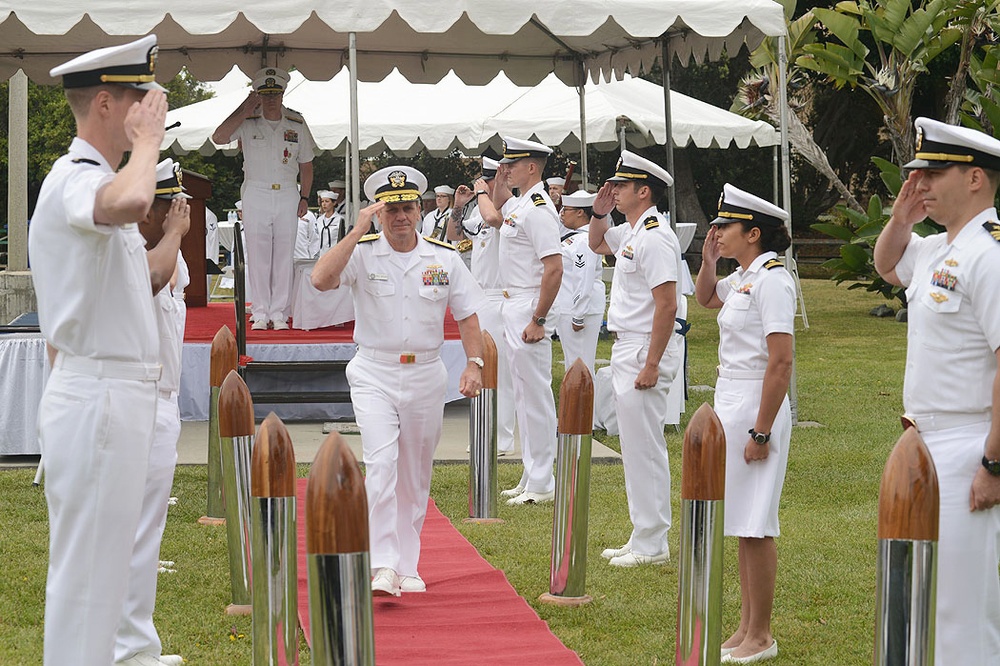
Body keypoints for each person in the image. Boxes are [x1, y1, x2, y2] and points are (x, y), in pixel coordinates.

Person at [26, 35, 181, 666]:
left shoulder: (95, 179)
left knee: (105, 574)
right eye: (140, 99)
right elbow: (134, 201)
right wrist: (147, 146)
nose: (153, 111)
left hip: (113, 394)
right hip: (99, 398)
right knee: (87, 585)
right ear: (109, 104)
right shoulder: (75, 179)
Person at [311, 165, 485, 597]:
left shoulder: (443, 258)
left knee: (414, 473)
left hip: (426, 373)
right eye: (391, 210)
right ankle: (382, 563)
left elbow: (466, 314)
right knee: (382, 464)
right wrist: (355, 231)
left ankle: (407, 565)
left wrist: (474, 363)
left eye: (407, 207)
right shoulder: (363, 252)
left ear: (420, 210)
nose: (400, 216)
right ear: (380, 214)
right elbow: (320, 280)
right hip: (374, 371)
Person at [873, 117, 1000, 664]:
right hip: (925, 445)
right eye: (916, 173)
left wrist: (993, 464)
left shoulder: (989, 254)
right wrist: (902, 216)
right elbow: (887, 265)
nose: (920, 182)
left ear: (975, 178)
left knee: (961, 607)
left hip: (970, 442)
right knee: (923, 594)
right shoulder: (937, 249)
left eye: (933, 171)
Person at [695, 184, 794, 664]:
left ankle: (763, 634)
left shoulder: (773, 279)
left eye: (725, 227)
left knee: (757, 522)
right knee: (741, 522)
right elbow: (706, 299)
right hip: (731, 396)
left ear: (753, 233)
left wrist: (762, 431)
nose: (717, 232)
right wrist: (709, 260)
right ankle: (746, 625)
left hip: (758, 400)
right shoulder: (746, 276)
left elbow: (781, 362)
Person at [588, 150, 682, 567]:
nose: (614, 190)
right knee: (634, 443)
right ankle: (642, 532)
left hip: (646, 344)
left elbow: (667, 305)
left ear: (644, 191)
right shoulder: (632, 231)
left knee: (644, 445)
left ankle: (652, 542)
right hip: (630, 343)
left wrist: (651, 364)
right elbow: (595, 242)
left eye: (622, 186)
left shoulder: (655, 236)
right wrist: (598, 212)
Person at [115, 159, 192, 666]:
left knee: (146, 532)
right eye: (169, 205)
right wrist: (175, 234)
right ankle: (116, 646)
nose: (178, 213)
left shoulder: (170, 253)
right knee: (122, 530)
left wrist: (175, 235)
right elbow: (152, 279)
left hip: (162, 401)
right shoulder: (123, 248)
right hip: (131, 401)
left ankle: (135, 645)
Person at [212, 66, 316, 331]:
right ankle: (259, 311)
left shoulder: (296, 122)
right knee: (258, 255)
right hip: (256, 192)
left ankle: (279, 312)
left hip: (286, 193)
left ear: (283, 94)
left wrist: (304, 196)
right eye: (265, 93)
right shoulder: (246, 121)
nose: (270, 99)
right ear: (257, 94)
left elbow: (306, 163)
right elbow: (219, 137)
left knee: (283, 254)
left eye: (275, 93)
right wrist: (244, 109)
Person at [490, 137, 563, 505]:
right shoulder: (520, 203)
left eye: (512, 165)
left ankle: (542, 481)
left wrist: (539, 318)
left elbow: (554, 268)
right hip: (513, 301)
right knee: (522, 394)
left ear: (531, 167)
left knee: (535, 396)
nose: (505, 169)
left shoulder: (538, 209)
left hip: (529, 303)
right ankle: (530, 472)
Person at [447, 156, 516, 456]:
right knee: (478, 366)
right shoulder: (479, 208)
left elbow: (492, 220)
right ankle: (482, 431)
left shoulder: (509, 207)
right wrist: (459, 206)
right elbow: (455, 236)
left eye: (486, 182)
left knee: (501, 372)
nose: (481, 188)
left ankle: (502, 438)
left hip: (502, 296)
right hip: (480, 296)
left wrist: (483, 196)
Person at [554, 190, 605, 378]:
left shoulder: (584, 240)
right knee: (573, 365)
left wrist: (578, 315)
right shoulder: (575, 237)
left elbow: (584, 277)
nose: (562, 214)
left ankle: (585, 408)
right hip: (570, 307)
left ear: (580, 213)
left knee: (580, 367)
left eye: (566, 209)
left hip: (579, 310)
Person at [315, 189, 345, 255]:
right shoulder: (319, 220)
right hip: (321, 254)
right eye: (322, 201)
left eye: (327, 201)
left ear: (334, 203)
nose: (324, 204)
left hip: (335, 254)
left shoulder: (340, 219)